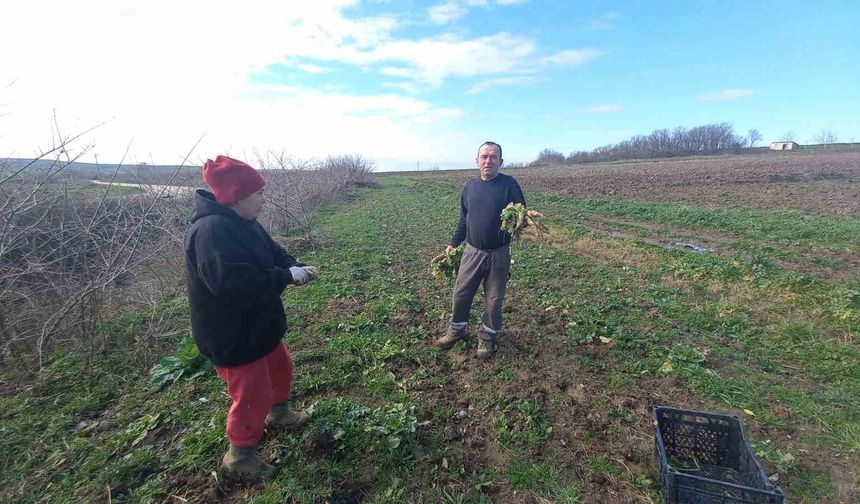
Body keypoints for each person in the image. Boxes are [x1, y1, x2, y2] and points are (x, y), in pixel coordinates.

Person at [185, 155, 316, 479]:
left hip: (257, 325)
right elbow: (232, 284)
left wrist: (293, 263)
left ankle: (279, 413)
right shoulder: (211, 232)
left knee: (280, 367)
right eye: (258, 193)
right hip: (232, 333)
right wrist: (285, 277)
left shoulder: (244, 222)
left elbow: (273, 251)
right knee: (250, 393)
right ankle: (240, 457)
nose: (263, 199)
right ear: (238, 197)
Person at [434, 141, 525, 359]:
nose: (488, 160)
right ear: (477, 160)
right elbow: (464, 220)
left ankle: (487, 337)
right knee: (461, 293)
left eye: (494, 157)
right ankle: (457, 330)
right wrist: (452, 244)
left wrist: (519, 222)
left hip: (499, 253)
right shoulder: (469, 188)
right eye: (484, 156)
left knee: (494, 299)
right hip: (472, 251)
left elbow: (522, 215)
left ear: (501, 161)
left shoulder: (509, 185)